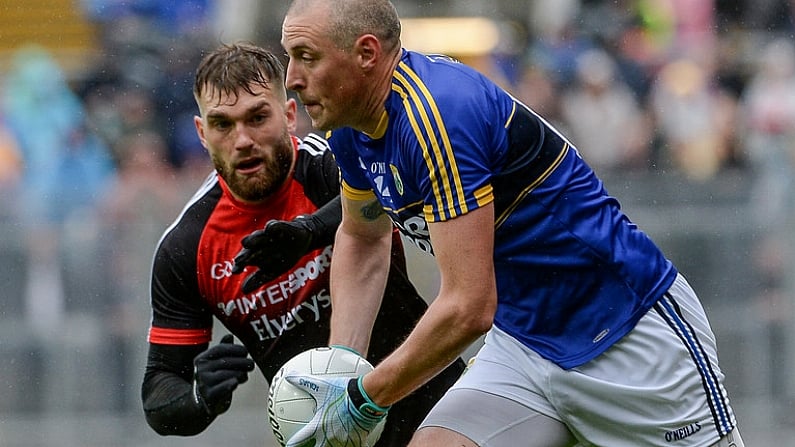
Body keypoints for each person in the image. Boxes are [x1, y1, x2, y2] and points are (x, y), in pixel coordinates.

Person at [275, 1, 745, 446]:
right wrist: (338, 370)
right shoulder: (350, 126)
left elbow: (470, 305)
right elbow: (362, 236)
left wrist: (365, 398)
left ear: (366, 54)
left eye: (306, 57)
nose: (292, 78)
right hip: (522, 341)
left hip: (624, 333)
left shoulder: (437, 114)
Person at [141, 42, 466, 447]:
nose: (242, 139)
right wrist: (197, 397)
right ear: (201, 133)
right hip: (326, 438)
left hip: (435, 407)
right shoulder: (185, 248)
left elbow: (392, 180)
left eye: (257, 118)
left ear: (290, 116)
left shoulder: (334, 166)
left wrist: (311, 229)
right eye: (223, 124)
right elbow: (158, 392)